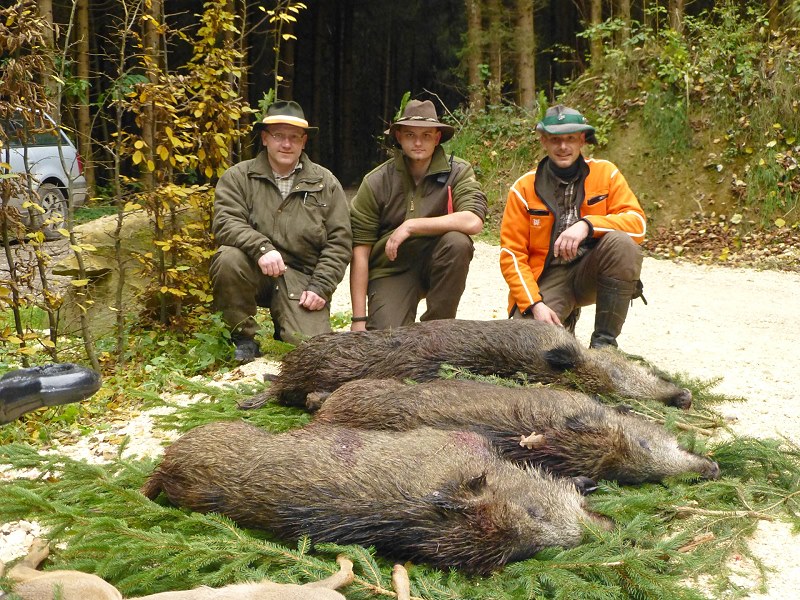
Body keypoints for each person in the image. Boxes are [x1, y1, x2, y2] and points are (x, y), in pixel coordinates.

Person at [210, 100, 352, 361]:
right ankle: (243, 337)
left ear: (303, 142)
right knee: (228, 258)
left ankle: (285, 326)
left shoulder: (326, 183)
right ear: (265, 138)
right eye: (278, 136)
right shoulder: (238, 177)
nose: (286, 144)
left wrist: (320, 286)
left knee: (311, 354)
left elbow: (339, 242)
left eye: (294, 137)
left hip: (302, 280)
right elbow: (226, 222)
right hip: (254, 268)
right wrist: (261, 248)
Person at [499, 104, 646, 349]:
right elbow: (511, 254)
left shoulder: (606, 173)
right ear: (543, 141)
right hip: (548, 276)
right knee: (526, 346)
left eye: (570, 139)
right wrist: (534, 304)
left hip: (593, 268)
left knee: (622, 244)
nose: (563, 147)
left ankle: (604, 346)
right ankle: (563, 319)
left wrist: (587, 225)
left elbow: (637, 224)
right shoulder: (523, 188)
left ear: (582, 140)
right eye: (555, 140)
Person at [349, 99, 488, 330]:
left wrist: (411, 226)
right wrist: (358, 319)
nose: (418, 142)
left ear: (437, 138)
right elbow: (360, 251)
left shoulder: (458, 172)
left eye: (426, 135)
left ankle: (438, 329)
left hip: (437, 260)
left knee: (457, 242)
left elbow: (473, 221)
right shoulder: (376, 181)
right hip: (391, 268)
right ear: (399, 137)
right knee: (388, 341)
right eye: (410, 135)